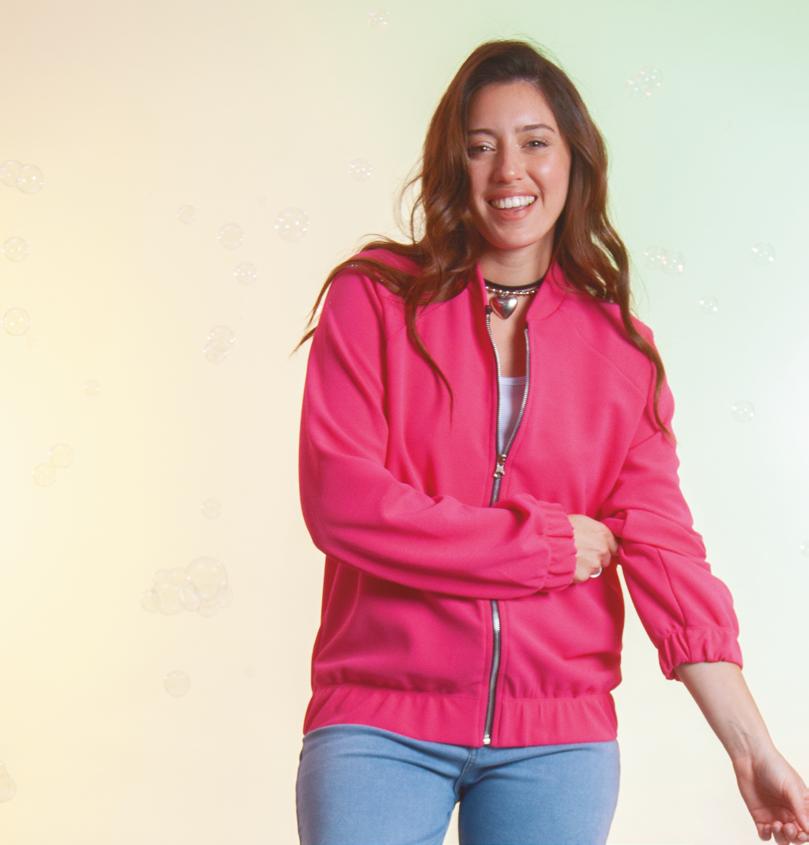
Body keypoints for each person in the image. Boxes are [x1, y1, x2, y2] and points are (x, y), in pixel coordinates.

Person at [290, 37, 809, 845]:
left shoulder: (621, 351)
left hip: (556, 739)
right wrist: (539, 547)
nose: (509, 171)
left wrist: (751, 748)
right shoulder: (378, 299)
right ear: (452, 163)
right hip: (381, 722)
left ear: (573, 160)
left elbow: (666, 558)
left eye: (534, 142)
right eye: (480, 146)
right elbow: (343, 502)